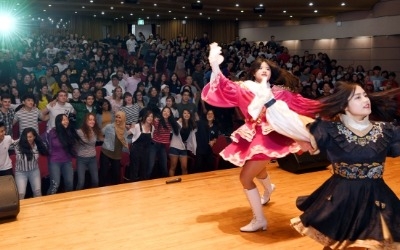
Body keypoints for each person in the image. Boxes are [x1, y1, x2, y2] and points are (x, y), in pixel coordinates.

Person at [202, 43, 320, 232]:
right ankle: (269, 188)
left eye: (267, 68)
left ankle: (259, 220)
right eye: (260, 68)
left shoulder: (279, 92)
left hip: (266, 138)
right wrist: (215, 65)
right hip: (252, 135)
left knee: (245, 178)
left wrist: (333, 106)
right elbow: (223, 86)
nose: (264, 70)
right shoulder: (244, 89)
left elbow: (305, 104)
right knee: (257, 170)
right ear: (253, 72)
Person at [290, 82, 400, 249]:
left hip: (376, 195)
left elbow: (394, 149)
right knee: (337, 244)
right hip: (342, 197)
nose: (365, 99)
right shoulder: (329, 130)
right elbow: (294, 125)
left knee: (369, 242)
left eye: (365, 95)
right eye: (357, 97)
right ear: (344, 106)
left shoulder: (385, 130)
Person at [46, 114, 82, 195]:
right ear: (59, 122)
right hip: (54, 161)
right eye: (63, 120)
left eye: (67, 119)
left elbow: (75, 145)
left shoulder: (70, 132)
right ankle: (48, 203)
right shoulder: (52, 132)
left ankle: (68, 203)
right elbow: (42, 141)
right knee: (55, 185)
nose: (66, 121)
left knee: (69, 184)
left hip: (67, 161)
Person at [14, 128, 49, 199]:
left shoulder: (37, 145)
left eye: (30, 137)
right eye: (26, 137)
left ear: (34, 137)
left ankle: (38, 208)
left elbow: (45, 151)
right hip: (21, 172)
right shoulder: (18, 144)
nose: (28, 139)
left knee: (38, 192)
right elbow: (24, 158)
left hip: (34, 171)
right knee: (21, 194)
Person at [147, 107, 180, 179]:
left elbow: (179, 126)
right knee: (150, 165)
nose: (166, 113)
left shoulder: (171, 122)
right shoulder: (157, 121)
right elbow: (148, 124)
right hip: (154, 145)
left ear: (170, 114)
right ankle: (145, 181)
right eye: (164, 111)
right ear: (162, 112)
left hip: (162, 146)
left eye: (168, 112)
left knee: (164, 167)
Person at [99, 111, 129, 186]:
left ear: (123, 119)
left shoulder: (124, 129)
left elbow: (125, 141)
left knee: (116, 176)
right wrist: (104, 140)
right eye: (116, 117)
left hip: (117, 155)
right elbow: (99, 134)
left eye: (120, 117)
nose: (118, 119)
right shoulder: (109, 126)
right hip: (106, 153)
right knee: (103, 174)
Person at [75, 113, 102, 190]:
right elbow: (75, 145)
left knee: (95, 181)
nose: (92, 121)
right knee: (81, 182)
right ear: (85, 121)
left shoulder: (95, 130)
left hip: (92, 159)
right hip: (81, 159)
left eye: (93, 120)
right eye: (90, 119)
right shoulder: (79, 132)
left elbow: (101, 139)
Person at [127, 109, 154, 182]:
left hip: (146, 151)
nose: (150, 118)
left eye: (151, 116)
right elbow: (126, 134)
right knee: (134, 170)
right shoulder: (137, 126)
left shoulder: (152, 127)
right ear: (144, 117)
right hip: (135, 151)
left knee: (144, 170)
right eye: (148, 116)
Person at [168, 109, 197, 176]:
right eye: (185, 113)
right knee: (173, 167)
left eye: (188, 113)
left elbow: (192, 137)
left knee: (184, 168)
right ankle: (171, 185)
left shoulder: (191, 125)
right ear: (182, 115)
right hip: (174, 147)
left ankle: (185, 184)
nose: (186, 115)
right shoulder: (178, 123)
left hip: (183, 148)